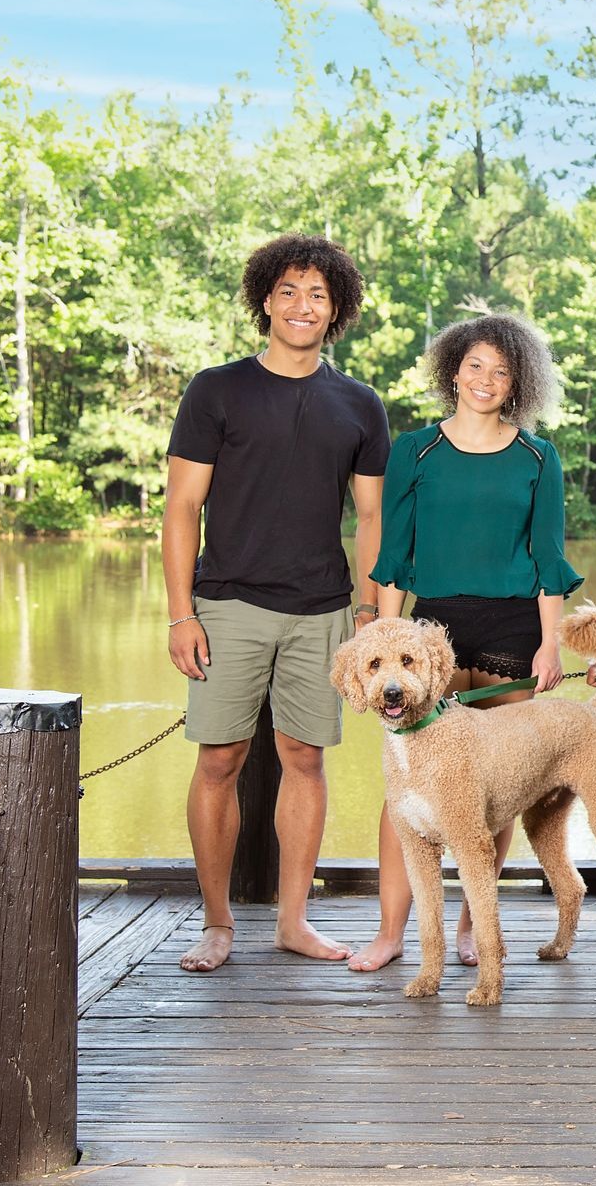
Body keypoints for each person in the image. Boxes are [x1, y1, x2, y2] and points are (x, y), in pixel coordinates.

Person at [163, 233, 387, 974]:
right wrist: (180, 612)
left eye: (318, 295)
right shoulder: (216, 390)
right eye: (289, 291)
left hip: (323, 608)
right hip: (226, 602)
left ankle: (293, 921)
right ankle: (218, 922)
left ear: (337, 311)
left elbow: (373, 518)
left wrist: (372, 611)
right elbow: (180, 510)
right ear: (265, 300)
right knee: (220, 759)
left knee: (305, 759)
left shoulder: (360, 404)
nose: (302, 305)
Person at [346, 313, 583, 974]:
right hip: (431, 633)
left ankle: (472, 926)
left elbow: (547, 559)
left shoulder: (539, 456)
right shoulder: (415, 450)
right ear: (454, 371)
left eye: (501, 371)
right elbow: (392, 556)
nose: (486, 380)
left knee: (492, 786)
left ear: (518, 384)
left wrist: (550, 646)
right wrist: (386, 637)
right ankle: (393, 931)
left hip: (512, 628)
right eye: (476, 366)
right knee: (408, 788)